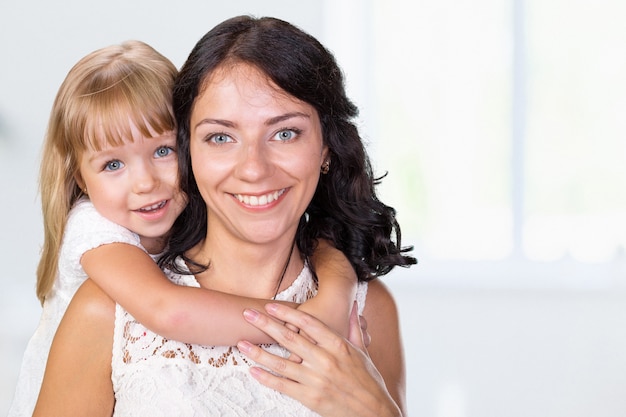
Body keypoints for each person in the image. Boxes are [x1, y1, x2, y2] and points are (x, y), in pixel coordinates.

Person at [33, 15, 416, 417]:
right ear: (190, 150)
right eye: (221, 137)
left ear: (326, 148)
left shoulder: (366, 307)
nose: (253, 169)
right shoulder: (107, 312)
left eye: (285, 133)